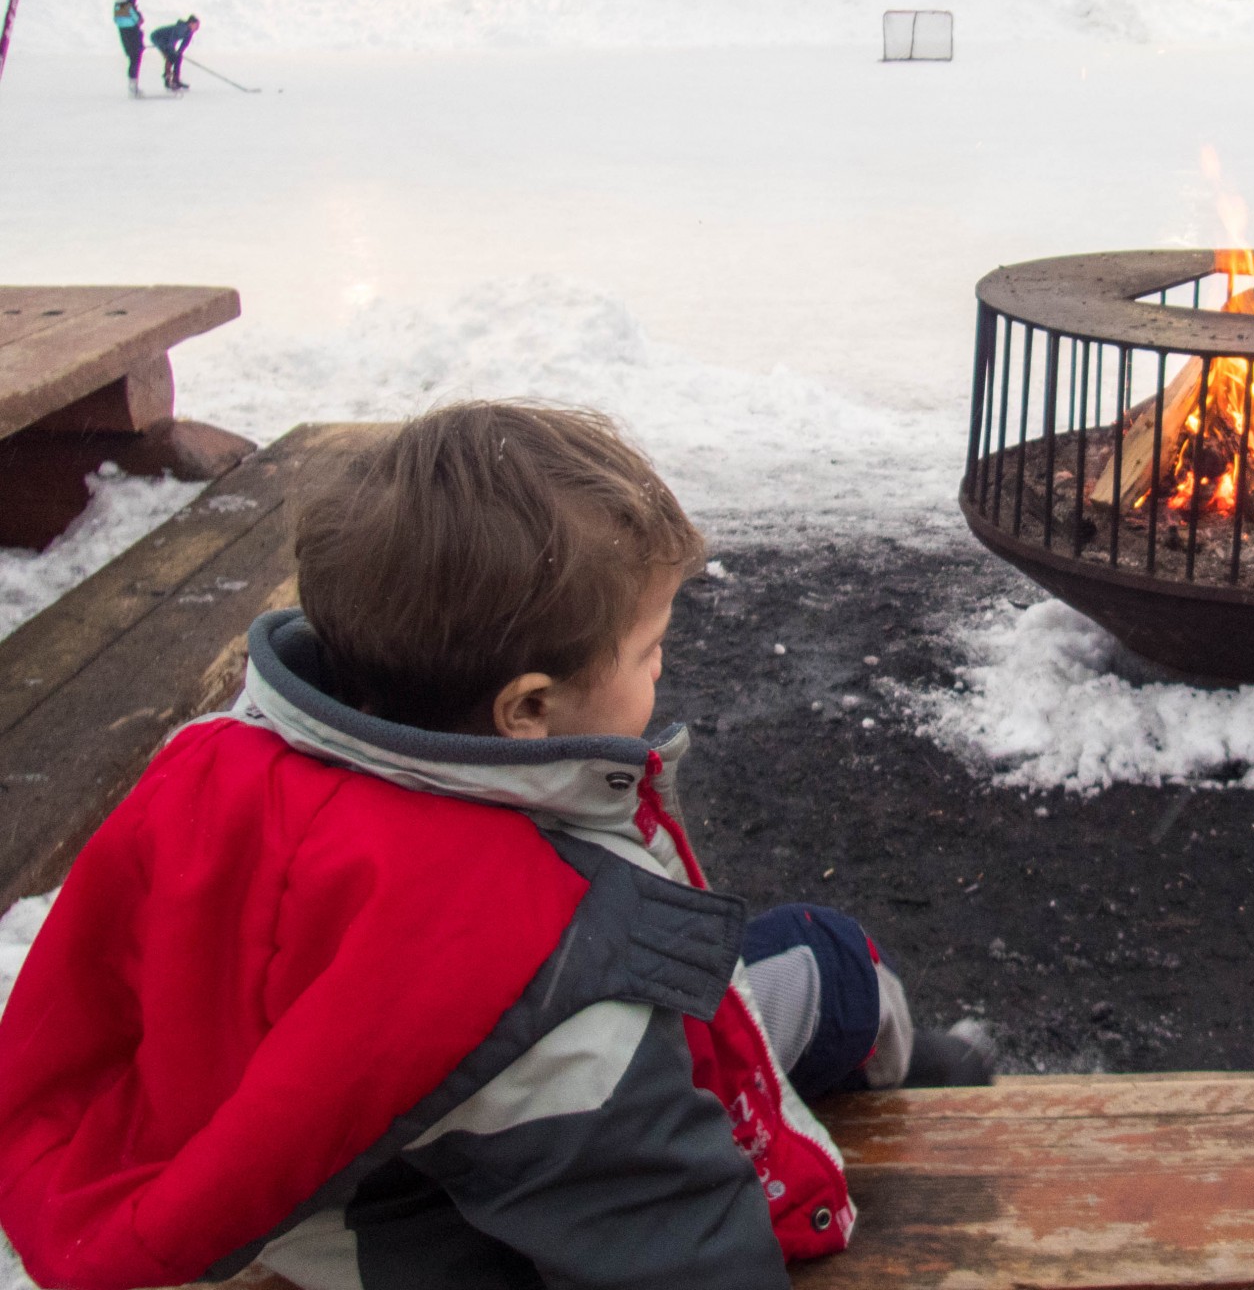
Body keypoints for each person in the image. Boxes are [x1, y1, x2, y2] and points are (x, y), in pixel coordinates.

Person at [0, 402, 992, 1290]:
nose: (664, 669)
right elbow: (673, 1235)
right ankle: (955, 1085)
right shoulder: (546, 983)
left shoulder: (207, 759)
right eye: (650, 650)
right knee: (828, 959)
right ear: (528, 708)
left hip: (281, 1180)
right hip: (410, 1234)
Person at [150, 13, 199, 92]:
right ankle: (167, 79)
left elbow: (185, 43)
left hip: (168, 40)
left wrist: (179, 52)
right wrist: (171, 49)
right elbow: (172, 38)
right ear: (191, 23)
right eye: (196, 25)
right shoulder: (181, 28)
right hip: (158, 37)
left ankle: (176, 80)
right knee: (170, 56)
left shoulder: (189, 31)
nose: (197, 28)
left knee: (178, 57)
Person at [112, 0, 142, 95]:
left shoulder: (117, 6)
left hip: (123, 33)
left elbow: (115, 19)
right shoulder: (129, 5)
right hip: (133, 32)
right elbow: (137, 19)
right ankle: (134, 85)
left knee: (132, 58)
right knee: (136, 58)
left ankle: (132, 84)